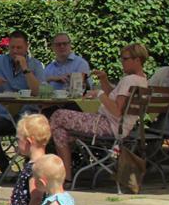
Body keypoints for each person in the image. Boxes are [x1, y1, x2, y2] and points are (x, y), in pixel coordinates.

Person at [50, 43, 149, 185]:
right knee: (59, 131)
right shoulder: (142, 80)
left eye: (125, 58)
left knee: (58, 115)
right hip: (120, 127)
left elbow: (117, 111)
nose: (122, 61)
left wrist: (99, 94)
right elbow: (113, 97)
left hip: (109, 125)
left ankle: (40, 158)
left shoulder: (129, 80)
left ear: (137, 60)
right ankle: (66, 177)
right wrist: (104, 80)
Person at [0, 30, 46, 173]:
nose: (15, 51)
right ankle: (5, 168)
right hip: (5, 114)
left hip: (29, 114)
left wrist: (25, 69)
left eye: (19, 48)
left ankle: (29, 170)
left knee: (36, 129)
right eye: (12, 48)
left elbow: (38, 92)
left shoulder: (35, 65)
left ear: (27, 47)